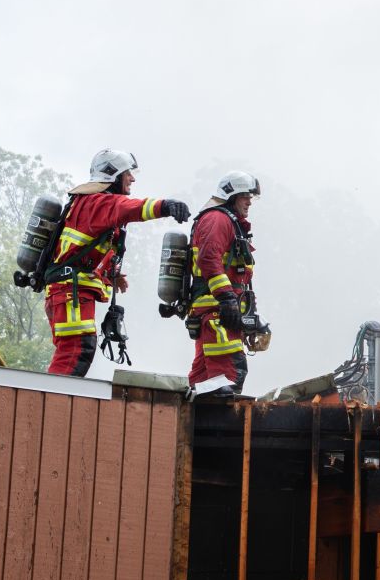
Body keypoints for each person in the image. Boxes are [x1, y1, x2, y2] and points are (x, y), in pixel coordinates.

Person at [45, 149, 190, 376]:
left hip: (68, 291)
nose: (132, 178)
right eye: (127, 173)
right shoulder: (98, 202)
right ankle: (52, 397)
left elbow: (83, 251)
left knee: (77, 348)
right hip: (70, 292)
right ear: (112, 175)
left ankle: (53, 395)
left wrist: (110, 275)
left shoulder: (91, 203)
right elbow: (129, 208)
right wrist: (166, 206)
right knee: (75, 350)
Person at [187, 171, 263, 401]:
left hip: (220, 314)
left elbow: (239, 279)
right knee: (227, 379)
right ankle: (216, 424)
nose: (249, 202)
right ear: (232, 196)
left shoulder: (228, 222)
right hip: (217, 315)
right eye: (245, 196)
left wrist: (250, 317)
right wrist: (227, 298)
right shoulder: (218, 219)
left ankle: (193, 422)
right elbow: (209, 259)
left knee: (204, 385)